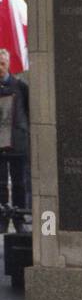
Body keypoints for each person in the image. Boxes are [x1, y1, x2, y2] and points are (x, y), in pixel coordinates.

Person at [0, 48, 30, 233]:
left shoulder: (21, 86)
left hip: (18, 143)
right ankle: (2, 220)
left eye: (2, 64)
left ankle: (20, 219)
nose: (0, 68)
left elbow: (29, 112)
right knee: (0, 184)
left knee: (20, 183)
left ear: (8, 64)